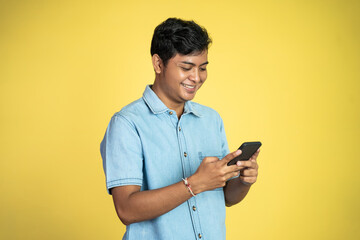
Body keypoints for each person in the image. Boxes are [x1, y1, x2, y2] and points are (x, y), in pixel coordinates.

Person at [100, 17, 260, 240]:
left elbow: (225, 197)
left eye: (202, 68)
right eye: (187, 67)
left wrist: (243, 181)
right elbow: (126, 209)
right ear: (158, 64)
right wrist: (195, 183)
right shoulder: (127, 123)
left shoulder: (211, 119)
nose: (196, 78)